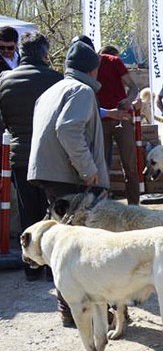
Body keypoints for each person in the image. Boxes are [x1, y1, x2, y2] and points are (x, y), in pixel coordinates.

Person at [29, 37, 110, 327]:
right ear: (92, 70)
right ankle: (81, 311)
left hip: (51, 174)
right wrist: (88, 169)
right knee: (78, 248)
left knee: (64, 246)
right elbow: (68, 130)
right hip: (69, 176)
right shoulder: (82, 91)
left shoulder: (53, 90)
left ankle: (71, 309)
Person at [0, 32, 63, 280]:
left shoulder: (4, 81)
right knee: (53, 212)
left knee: (28, 213)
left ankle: (31, 268)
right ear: (44, 54)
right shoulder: (56, 80)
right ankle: (51, 268)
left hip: (18, 155)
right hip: (50, 156)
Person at [97, 45, 140, 204]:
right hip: (100, 120)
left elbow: (134, 88)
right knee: (101, 166)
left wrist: (128, 101)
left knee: (129, 165)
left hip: (121, 117)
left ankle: (134, 206)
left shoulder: (114, 62)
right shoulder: (86, 66)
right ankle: (102, 205)